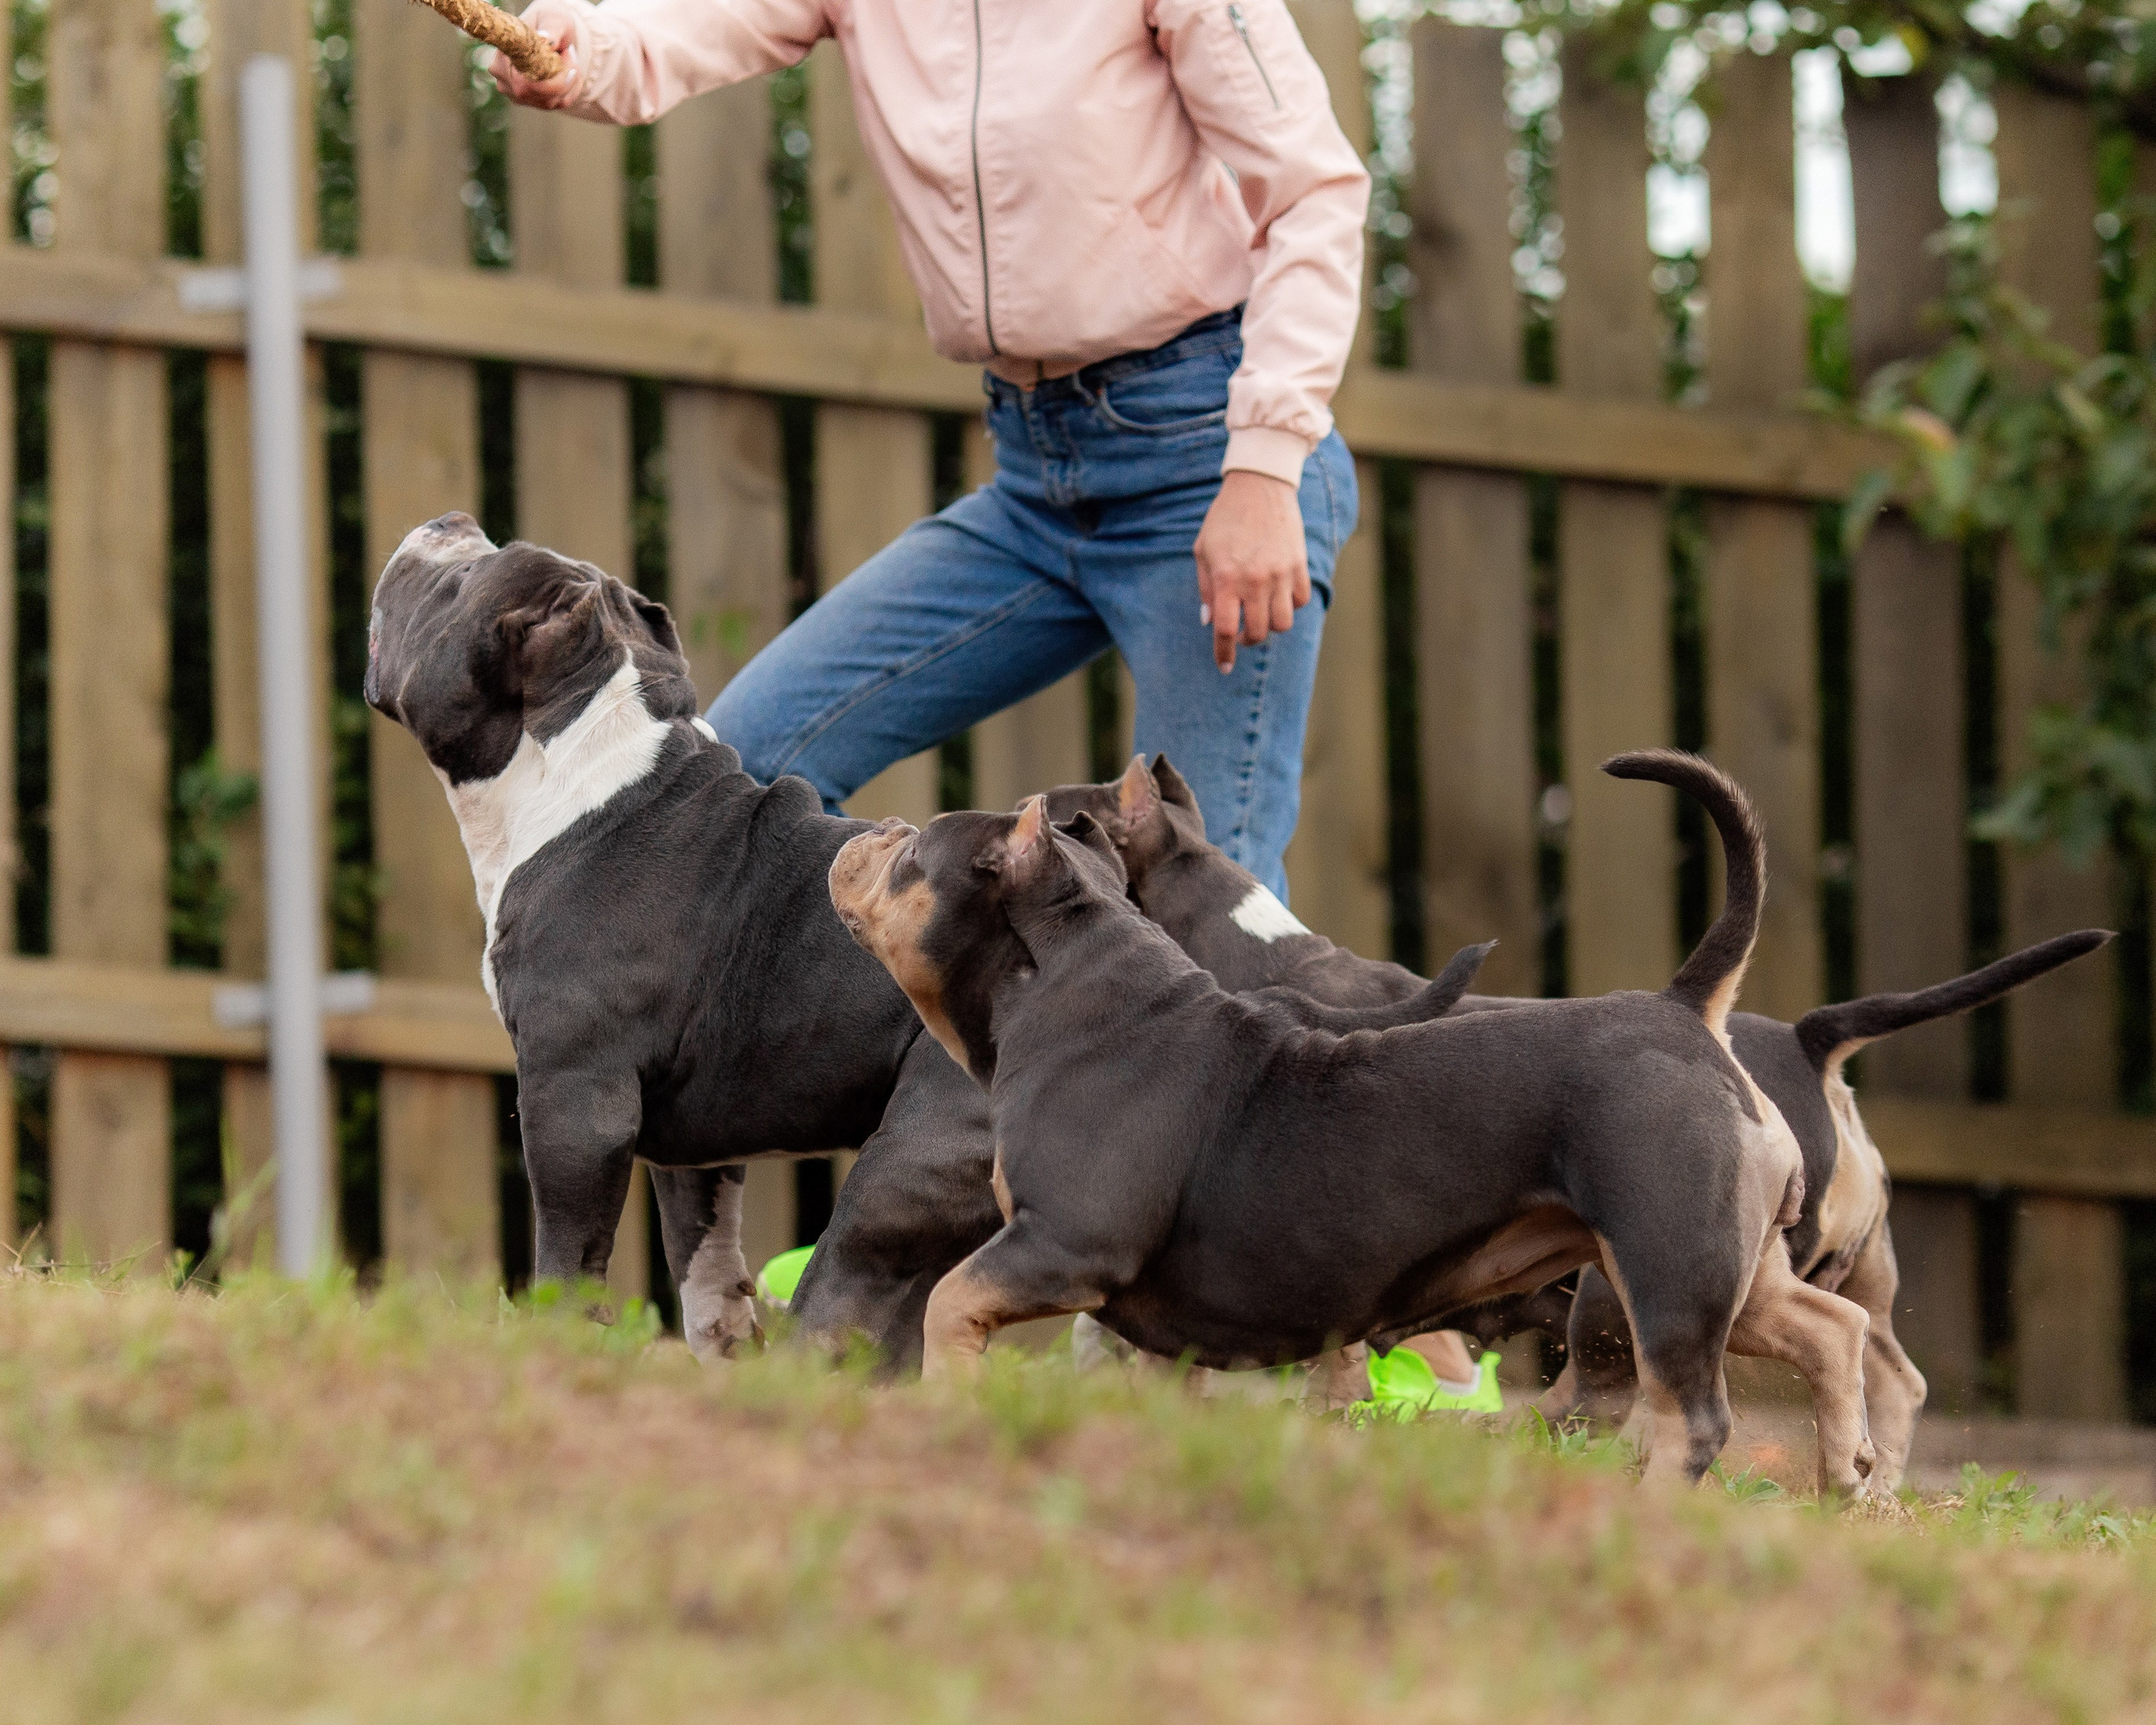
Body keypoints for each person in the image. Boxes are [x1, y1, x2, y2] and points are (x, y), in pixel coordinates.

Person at [494, 0, 1366, 899]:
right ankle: (891, 1035)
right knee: (746, 766)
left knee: (1201, 901)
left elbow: (1314, 190)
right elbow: (685, 25)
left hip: (1204, 460)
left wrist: (1264, 463)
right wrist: (580, 51)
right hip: (1035, 475)